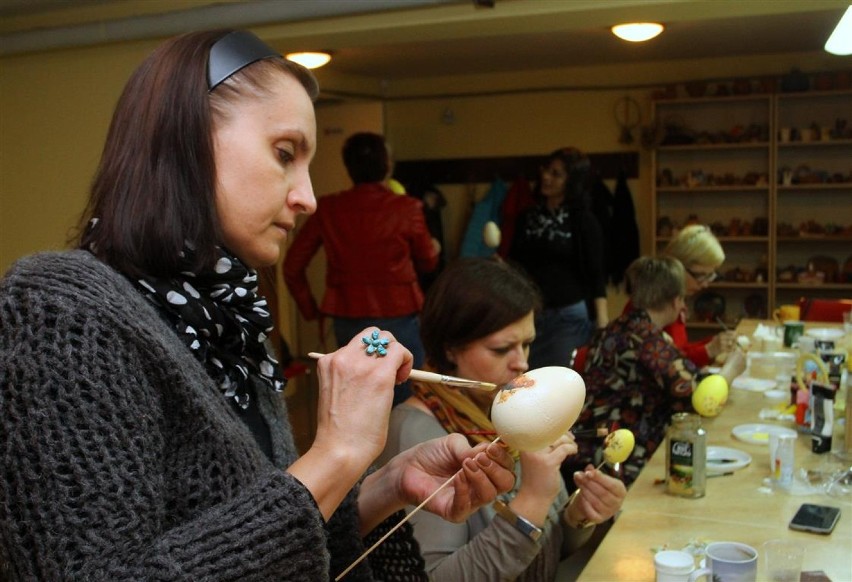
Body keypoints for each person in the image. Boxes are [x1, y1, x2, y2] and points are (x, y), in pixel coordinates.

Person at [0, 30, 516, 581]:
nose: (308, 197)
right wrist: (335, 455)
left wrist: (383, 487)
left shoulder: (226, 315)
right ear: (188, 140)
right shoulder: (59, 311)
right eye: (284, 154)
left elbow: (276, 538)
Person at [378, 257, 627, 581]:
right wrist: (534, 500)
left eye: (527, 344)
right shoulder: (418, 432)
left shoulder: (504, 409)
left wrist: (579, 516)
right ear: (451, 348)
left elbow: (540, 552)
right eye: (501, 349)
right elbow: (436, 577)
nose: (521, 363)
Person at [284, 131, 440, 405]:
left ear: (349, 168)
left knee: (360, 395)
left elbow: (292, 266)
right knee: (407, 396)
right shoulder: (407, 207)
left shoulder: (329, 208)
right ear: (387, 165)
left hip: (347, 317)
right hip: (400, 314)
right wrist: (435, 248)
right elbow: (428, 261)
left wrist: (311, 310)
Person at [569, 256, 745, 486]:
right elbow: (700, 399)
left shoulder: (620, 327)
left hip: (592, 446)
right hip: (615, 458)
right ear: (674, 301)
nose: (683, 307)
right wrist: (732, 368)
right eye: (682, 299)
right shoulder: (649, 341)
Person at [508, 147, 608, 370]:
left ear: (571, 181)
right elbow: (515, 266)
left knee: (557, 381)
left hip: (568, 317)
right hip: (530, 314)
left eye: (556, 174)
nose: (546, 177)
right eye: (546, 170)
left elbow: (596, 274)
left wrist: (602, 323)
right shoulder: (527, 217)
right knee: (528, 379)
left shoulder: (583, 220)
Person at [625, 224, 737, 367]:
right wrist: (708, 350)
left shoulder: (671, 298)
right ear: (677, 267)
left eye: (710, 276)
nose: (705, 285)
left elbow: (677, 349)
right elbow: (665, 366)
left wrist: (712, 343)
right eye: (701, 276)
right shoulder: (654, 305)